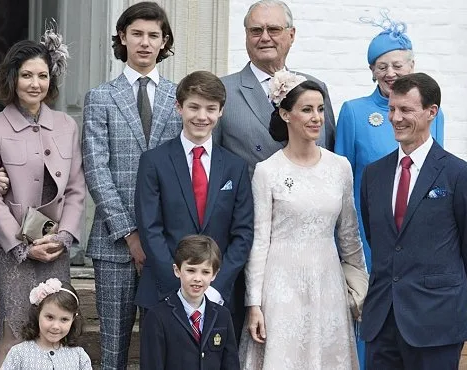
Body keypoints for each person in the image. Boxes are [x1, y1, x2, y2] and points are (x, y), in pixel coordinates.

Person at [214, 0, 337, 338]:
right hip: (245, 236)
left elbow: (328, 160)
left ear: (291, 35)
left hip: (305, 247)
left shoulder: (315, 89)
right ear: (246, 37)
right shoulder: (223, 91)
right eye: (256, 30)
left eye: (274, 29)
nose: (264, 37)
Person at [333, 13, 445, 368]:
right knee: (370, 316)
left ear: (412, 64)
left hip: (417, 235)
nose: (390, 72)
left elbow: (437, 173)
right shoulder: (353, 112)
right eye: (381, 66)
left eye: (397, 64)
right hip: (368, 236)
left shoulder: (432, 113)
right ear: (371, 70)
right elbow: (341, 179)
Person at [360, 73, 467, 369]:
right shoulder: (373, 175)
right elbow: (379, 239)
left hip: (438, 322)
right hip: (382, 321)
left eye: (406, 110)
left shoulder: (459, 174)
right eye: (392, 109)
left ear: (431, 112)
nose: (396, 118)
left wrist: (452, 302)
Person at [240, 71, 367, 369]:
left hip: (328, 284)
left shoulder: (340, 167)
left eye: (320, 109)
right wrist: (254, 304)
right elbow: (259, 242)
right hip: (281, 286)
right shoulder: (267, 171)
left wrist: (361, 288)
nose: (317, 118)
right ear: (285, 114)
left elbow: (349, 235)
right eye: (307, 110)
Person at [0, 28, 86, 370]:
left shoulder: (67, 125)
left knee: (55, 333)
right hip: (15, 253)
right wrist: (22, 246)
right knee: (13, 335)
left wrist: (63, 237)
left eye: (42, 75)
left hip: (55, 248)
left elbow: (76, 189)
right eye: (26, 75)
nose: (34, 84)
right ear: (13, 78)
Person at [81, 2, 182, 368]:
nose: (144, 43)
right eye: (136, 34)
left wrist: (155, 236)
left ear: (164, 42)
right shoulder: (101, 98)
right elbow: (96, 170)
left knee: (165, 346)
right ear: (123, 37)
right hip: (113, 244)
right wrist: (130, 233)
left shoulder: (179, 98)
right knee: (113, 350)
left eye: (153, 35)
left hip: (169, 242)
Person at [134, 70, 253, 314]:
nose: (202, 116)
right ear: (179, 107)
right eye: (194, 107)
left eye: (210, 109)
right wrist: (180, 285)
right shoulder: (154, 162)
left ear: (220, 111)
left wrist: (215, 286)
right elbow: (150, 228)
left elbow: (242, 233)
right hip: (165, 290)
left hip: (219, 296)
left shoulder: (235, 167)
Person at [140, 235, 240, 370]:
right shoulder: (157, 317)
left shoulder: (223, 315)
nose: (197, 278)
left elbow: (230, 364)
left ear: (215, 274)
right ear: (177, 270)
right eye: (191, 270)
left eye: (205, 272)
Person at [1, 278, 92, 369]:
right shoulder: (19, 354)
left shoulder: (79, 356)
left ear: (73, 319)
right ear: (38, 314)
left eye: (64, 319)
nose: (56, 326)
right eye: (50, 317)